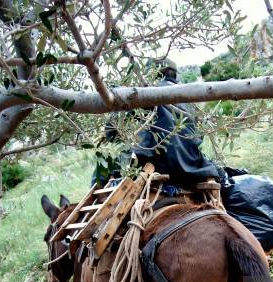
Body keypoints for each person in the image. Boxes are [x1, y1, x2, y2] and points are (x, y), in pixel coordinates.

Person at [92, 58, 219, 186]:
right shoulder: (190, 99)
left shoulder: (140, 93)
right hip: (191, 169)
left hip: (153, 167)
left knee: (103, 164)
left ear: (149, 73)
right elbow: (199, 136)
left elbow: (111, 133)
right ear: (175, 75)